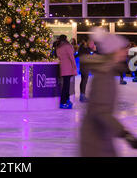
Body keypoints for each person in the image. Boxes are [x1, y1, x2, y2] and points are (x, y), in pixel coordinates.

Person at [80, 28, 137, 157]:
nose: (126, 52)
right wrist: (125, 134)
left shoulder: (107, 72)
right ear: (114, 52)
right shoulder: (104, 75)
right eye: (123, 49)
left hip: (101, 138)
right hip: (95, 143)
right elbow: (101, 113)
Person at [56, 34, 77, 109]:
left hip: (63, 67)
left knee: (65, 85)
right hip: (68, 67)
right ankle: (63, 102)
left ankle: (66, 100)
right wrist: (75, 66)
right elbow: (71, 57)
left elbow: (59, 56)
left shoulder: (58, 47)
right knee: (66, 86)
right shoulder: (67, 46)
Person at [78, 37, 91, 102]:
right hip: (85, 66)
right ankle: (82, 96)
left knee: (83, 80)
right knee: (84, 81)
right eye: (89, 41)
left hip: (83, 66)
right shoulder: (84, 48)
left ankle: (82, 95)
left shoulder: (82, 48)